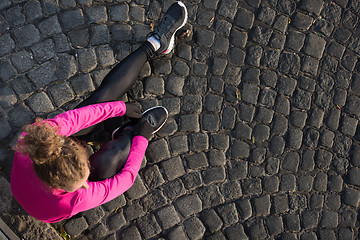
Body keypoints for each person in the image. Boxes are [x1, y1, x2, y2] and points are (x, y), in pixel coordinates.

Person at [10, 2, 188, 223]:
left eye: (84, 175)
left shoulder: (38, 137)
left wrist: (119, 107)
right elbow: (126, 179)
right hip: (51, 197)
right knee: (113, 156)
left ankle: (156, 43)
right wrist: (142, 138)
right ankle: (127, 133)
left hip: (47, 173)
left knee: (98, 102)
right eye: (84, 181)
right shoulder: (73, 199)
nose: (86, 184)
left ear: (69, 145)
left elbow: (82, 116)